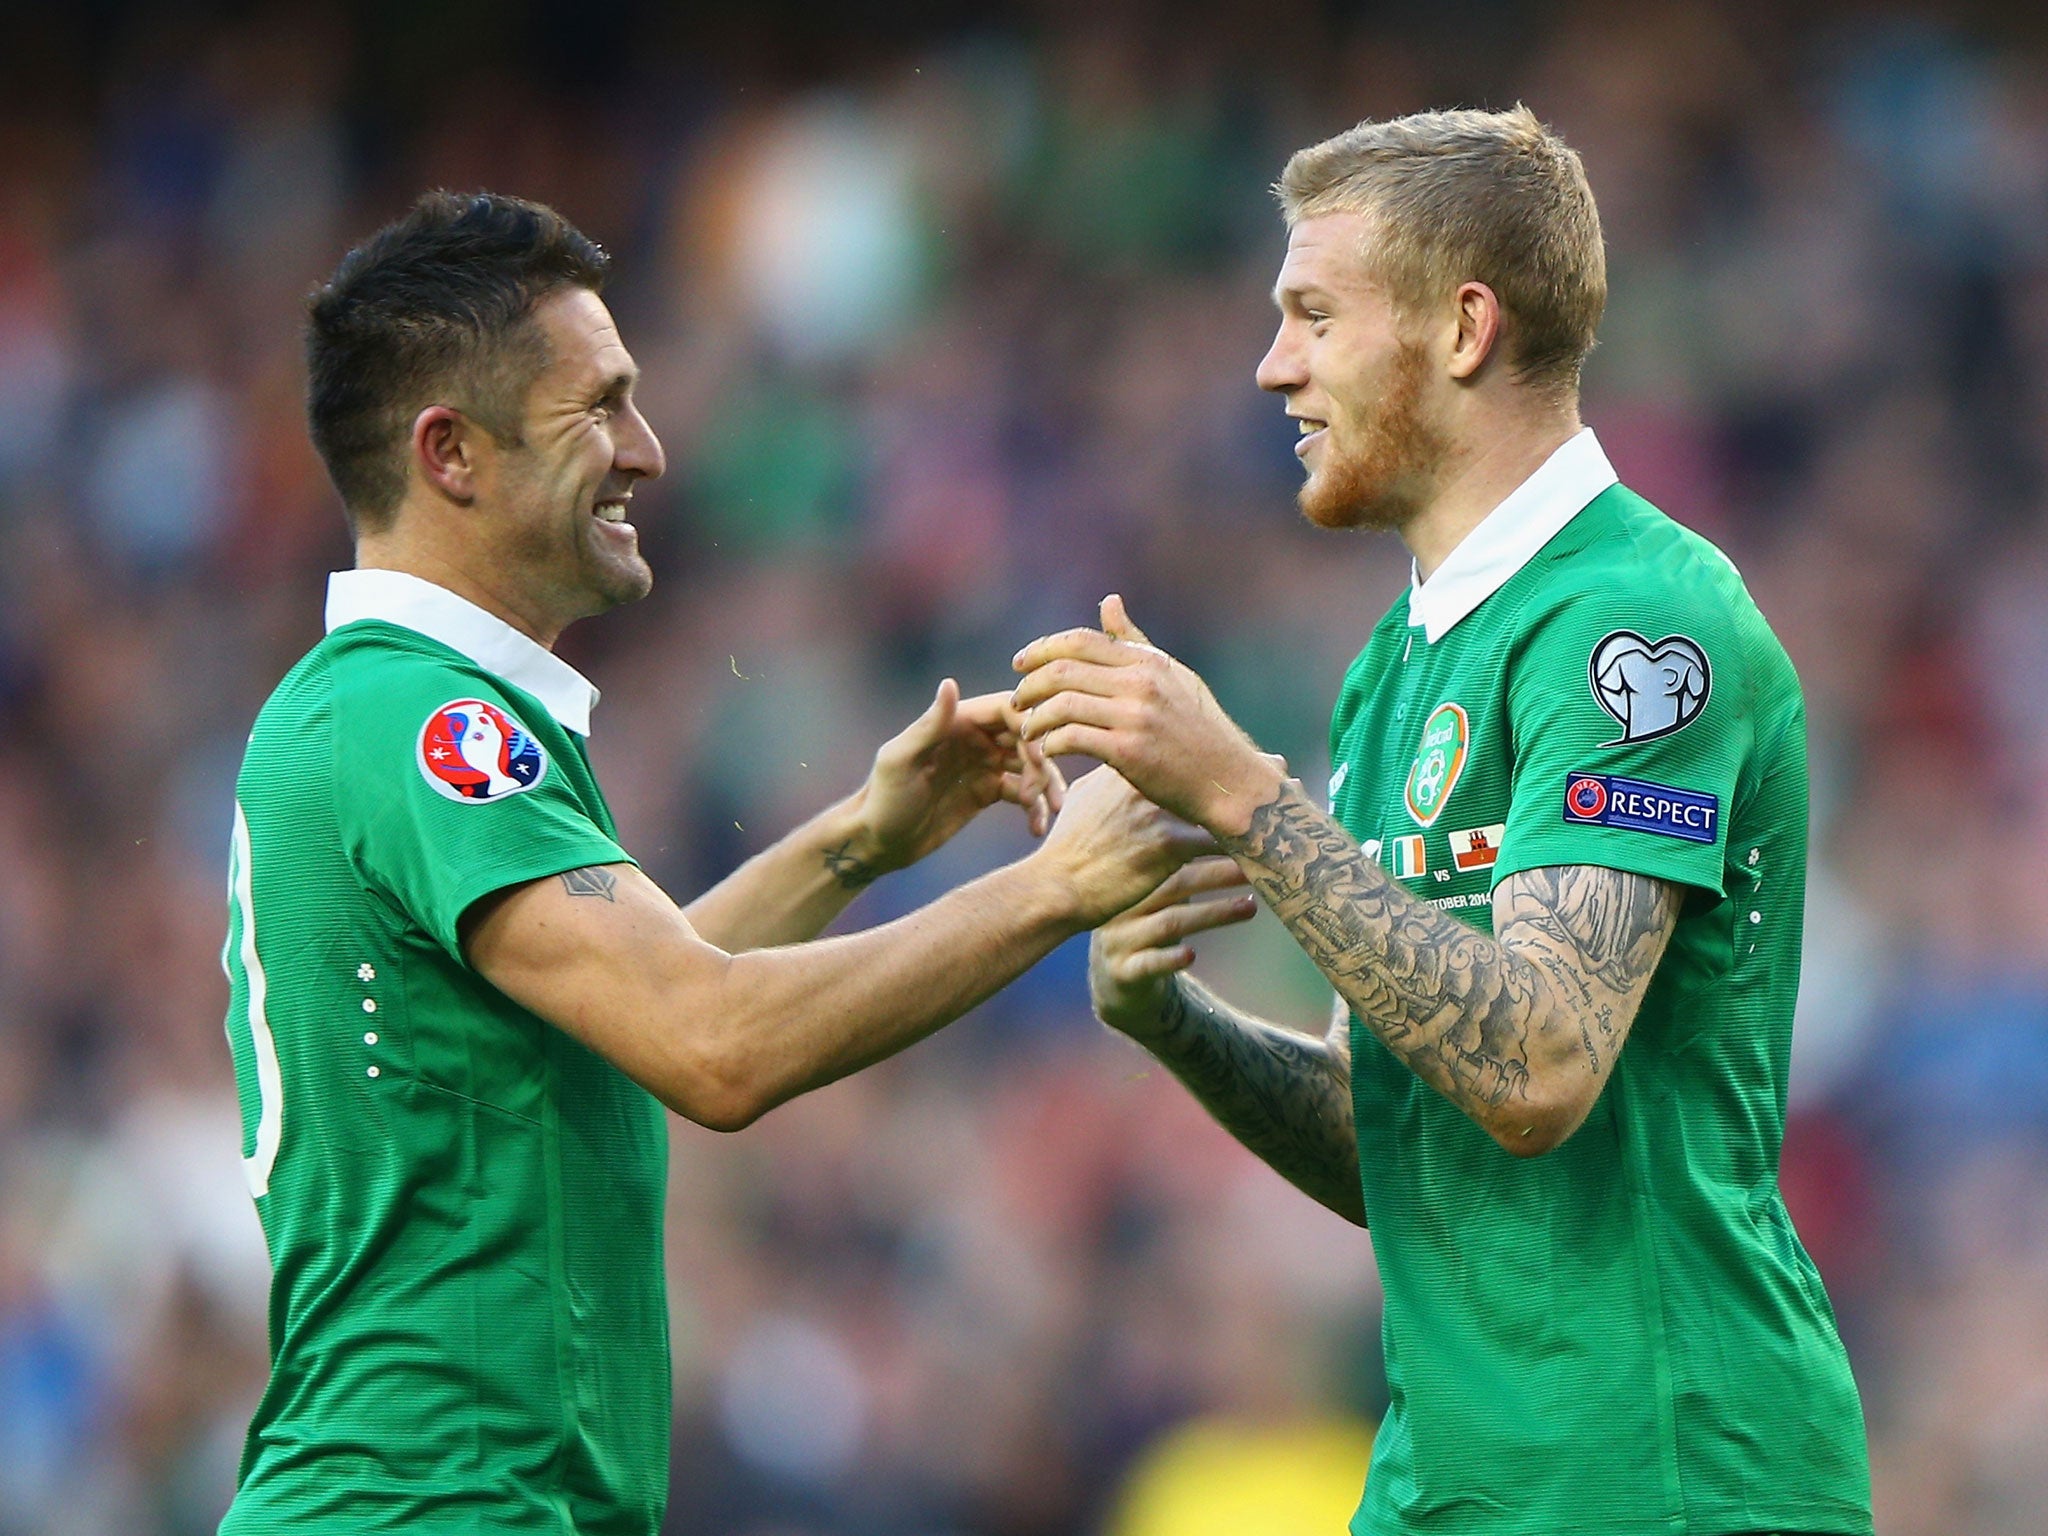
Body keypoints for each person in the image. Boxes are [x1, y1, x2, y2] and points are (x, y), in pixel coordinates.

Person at [218, 191, 1218, 1535]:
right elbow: (711, 1046)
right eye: (600, 408)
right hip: (433, 1505)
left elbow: (645, 1006)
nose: (649, 450)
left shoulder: (382, 717)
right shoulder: (421, 723)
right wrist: (1052, 888)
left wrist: (862, 837)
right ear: (451, 454)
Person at [1011, 106, 1873, 1536]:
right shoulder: (1394, 670)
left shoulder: (1636, 620)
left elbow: (1533, 1064)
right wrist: (1173, 1019)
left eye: (1313, 315)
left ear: (1462, 328)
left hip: (1664, 1473)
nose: (1272, 365)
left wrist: (1243, 795)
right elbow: (1394, 1128)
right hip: (1447, 1479)